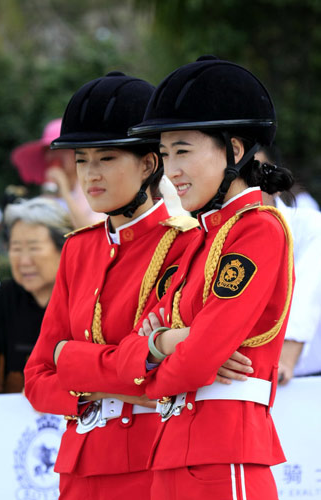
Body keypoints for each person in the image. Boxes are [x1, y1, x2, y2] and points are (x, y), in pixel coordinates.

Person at [114, 56, 295, 499]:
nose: (170, 170)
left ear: (234, 150)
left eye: (184, 150)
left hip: (224, 455)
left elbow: (197, 359)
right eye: (166, 153)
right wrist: (171, 342)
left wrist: (162, 352)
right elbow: (127, 354)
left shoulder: (257, 229)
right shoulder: (198, 238)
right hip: (170, 451)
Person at [24, 72, 204, 500]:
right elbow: (37, 377)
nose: (89, 175)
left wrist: (77, 362)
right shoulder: (77, 250)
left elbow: (173, 371)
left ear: (148, 163)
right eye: (81, 160)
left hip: (153, 463)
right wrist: (120, 370)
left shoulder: (189, 243)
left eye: (106, 158)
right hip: (78, 469)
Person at [0, 197, 72, 393]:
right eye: (16, 249)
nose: (24, 261)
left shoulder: (83, 296)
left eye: (34, 248)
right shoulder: (5, 297)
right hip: (15, 417)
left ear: (64, 249)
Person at [256, 147, 321, 382]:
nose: (247, 183)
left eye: (257, 172)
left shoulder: (310, 225)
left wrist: (284, 360)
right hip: (242, 376)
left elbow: (305, 297)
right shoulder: (211, 236)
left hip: (300, 379)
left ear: (276, 181)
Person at [11, 118, 105, 228]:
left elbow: (92, 231)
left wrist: (65, 192)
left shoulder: (95, 188)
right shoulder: (47, 195)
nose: (54, 156)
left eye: (61, 150)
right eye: (49, 150)